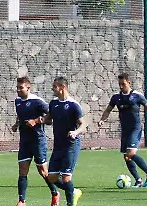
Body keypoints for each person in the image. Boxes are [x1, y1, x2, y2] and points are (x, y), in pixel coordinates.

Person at [98, 73, 147, 189]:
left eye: (123, 84)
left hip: (135, 128)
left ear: (129, 83)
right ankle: (138, 180)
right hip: (124, 130)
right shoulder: (116, 97)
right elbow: (108, 109)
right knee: (126, 157)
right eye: (119, 84)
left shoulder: (136, 95)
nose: (121, 86)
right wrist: (102, 120)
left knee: (131, 153)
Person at [12, 76, 57, 206]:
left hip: (38, 140)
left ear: (28, 88)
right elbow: (20, 116)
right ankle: (21, 201)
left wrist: (36, 121)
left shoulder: (37, 101)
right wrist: (16, 124)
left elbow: (51, 117)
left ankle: (55, 193)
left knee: (43, 172)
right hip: (24, 141)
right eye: (17, 88)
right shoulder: (17, 101)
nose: (18, 90)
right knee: (22, 170)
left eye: (21, 88)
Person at [46, 76, 84, 206]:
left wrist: (75, 132)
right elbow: (49, 119)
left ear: (63, 87)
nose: (52, 89)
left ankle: (70, 203)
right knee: (51, 177)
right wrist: (42, 120)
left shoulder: (73, 105)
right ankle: (73, 191)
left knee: (66, 178)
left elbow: (83, 124)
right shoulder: (53, 103)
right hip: (58, 146)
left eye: (55, 87)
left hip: (71, 145)